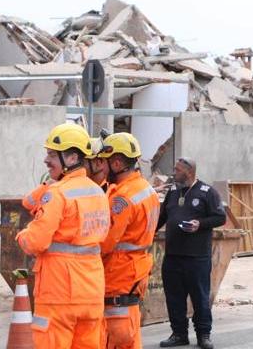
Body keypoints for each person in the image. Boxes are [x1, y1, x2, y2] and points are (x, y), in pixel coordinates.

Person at [16, 123, 111, 349]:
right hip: (91, 293)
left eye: (51, 155)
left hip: (59, 295)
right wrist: (50, 183)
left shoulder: (58, 194)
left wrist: (22, 235)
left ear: (70, 158)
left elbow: (35, 242)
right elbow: (28, 202)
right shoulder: (98, 192)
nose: (46, 160)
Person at [98, 133, 160, 349]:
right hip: (135, 271)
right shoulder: (146, 189)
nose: (101, 169)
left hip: (119, 274)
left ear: (116, 163)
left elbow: (105, 243)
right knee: (130, 334)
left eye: (103, 163)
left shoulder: (122, 198)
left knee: (117, 335)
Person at [157, 158, 226, 349]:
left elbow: (220, 217)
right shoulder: (173, 192)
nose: (173, 172)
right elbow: (162, 217)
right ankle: (179, 334)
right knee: (174, 297)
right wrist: (146, 233)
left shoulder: (207, 192)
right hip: (172, 256)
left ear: (189, 171)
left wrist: (200, 224)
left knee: (200, 297)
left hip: (197, 257)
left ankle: (203, 334)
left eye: (177, 169)